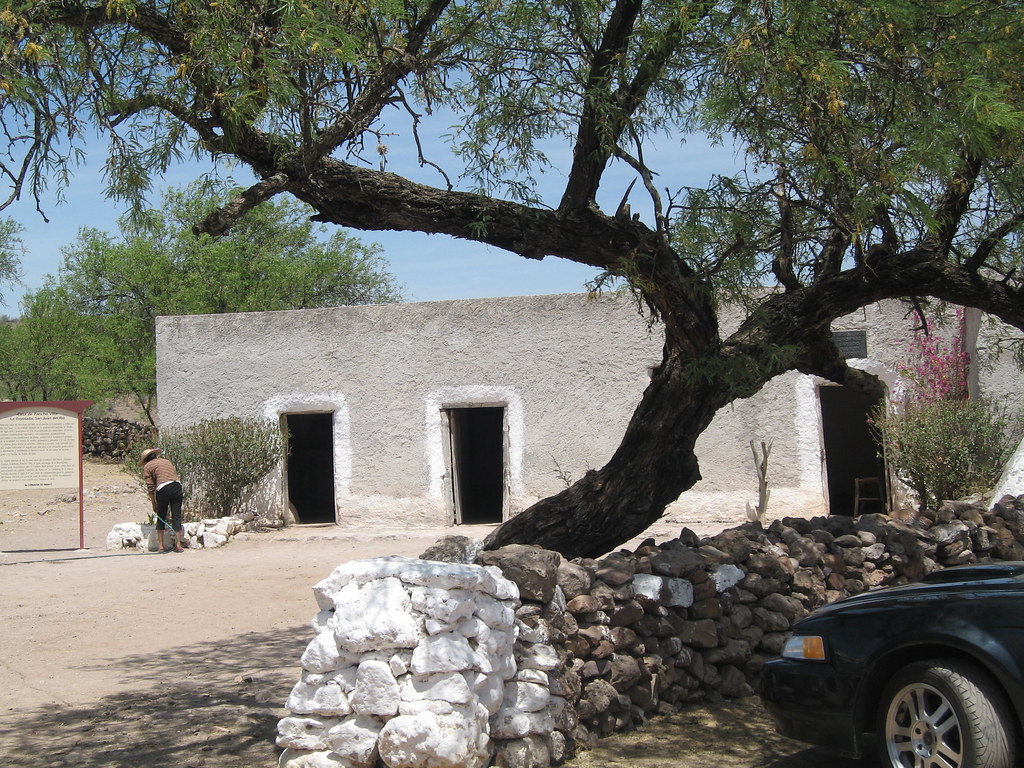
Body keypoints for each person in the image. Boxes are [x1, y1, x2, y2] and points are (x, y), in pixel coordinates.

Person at [141, 447, 185, 552]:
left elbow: (150, 487)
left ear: (146, 460)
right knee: (176, 515)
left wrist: (154, 503)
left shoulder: (147, 466)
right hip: (177, 485)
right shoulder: (166, 461)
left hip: (163, 488)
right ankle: (178, 545)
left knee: (161, 515)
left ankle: (161, 546)